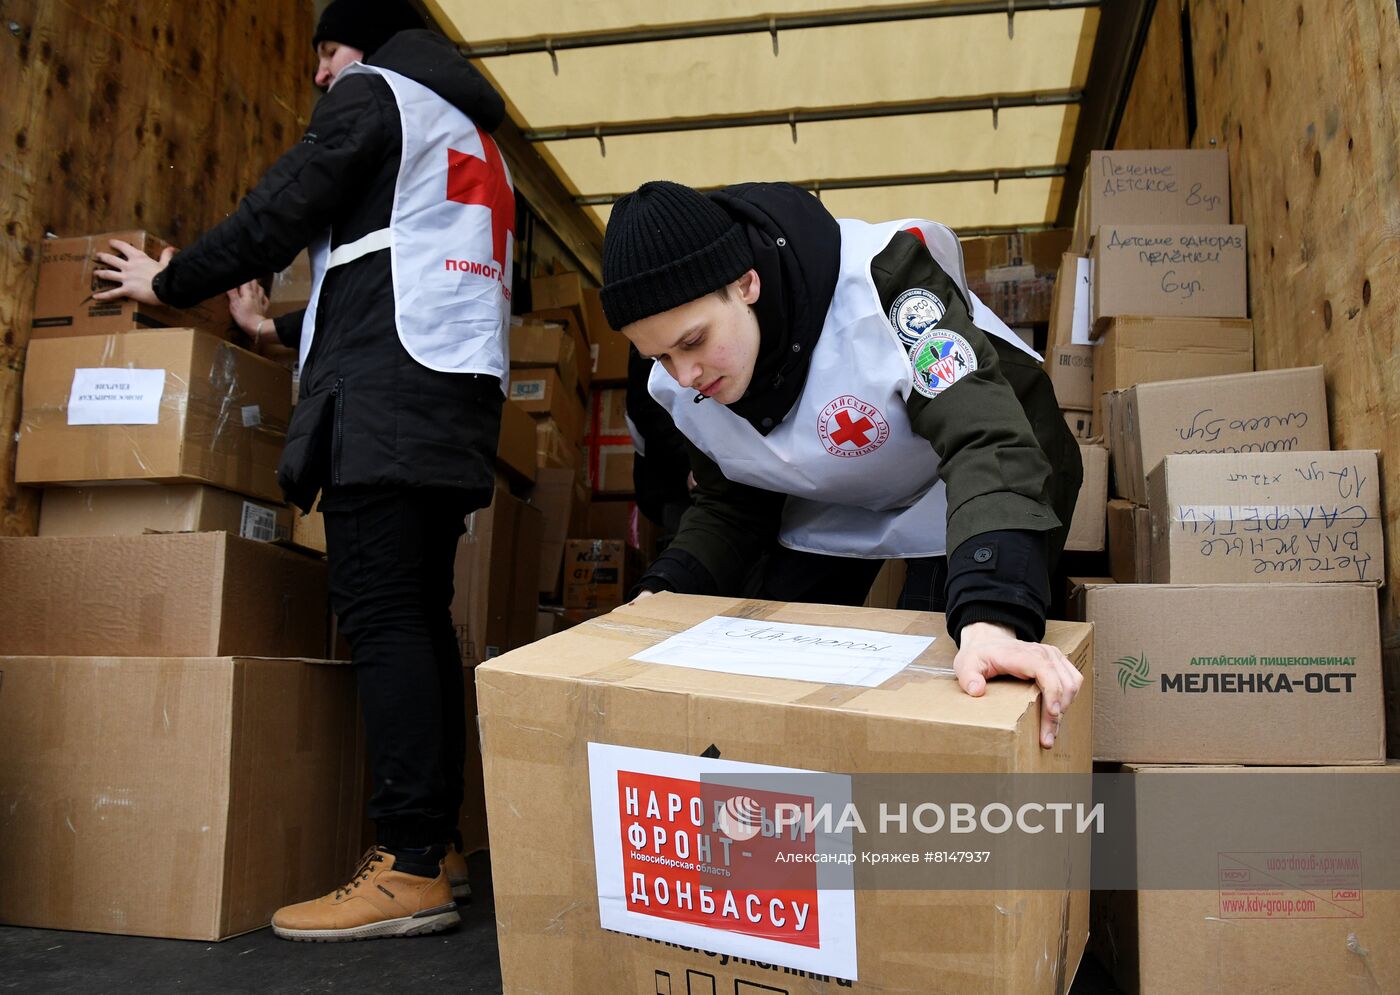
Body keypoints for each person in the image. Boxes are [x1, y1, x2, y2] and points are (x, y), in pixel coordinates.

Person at [93, 0, 514, 941]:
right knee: (418, 612)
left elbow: (280, 206)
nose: (322, 74)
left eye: (327, 51)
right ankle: (436, 846)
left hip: (390, 400)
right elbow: (394, 268)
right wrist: (267, 329)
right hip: (449, 401)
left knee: (382, 611)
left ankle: (407, 863)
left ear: (366, 42)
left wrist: (172, 281)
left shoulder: (377, 93)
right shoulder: (469, 129)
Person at [599, 181, 1084, 748]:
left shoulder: (883, 286)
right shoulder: (683, 385)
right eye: (659, 356)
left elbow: (986, 440)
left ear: (746, 283)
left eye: (694, 342)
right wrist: (664, 593)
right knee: (777, 669)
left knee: (946, 674)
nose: (685, 376)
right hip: (838, 486)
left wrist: (994, 615)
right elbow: (730, 502)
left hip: (972, 473)